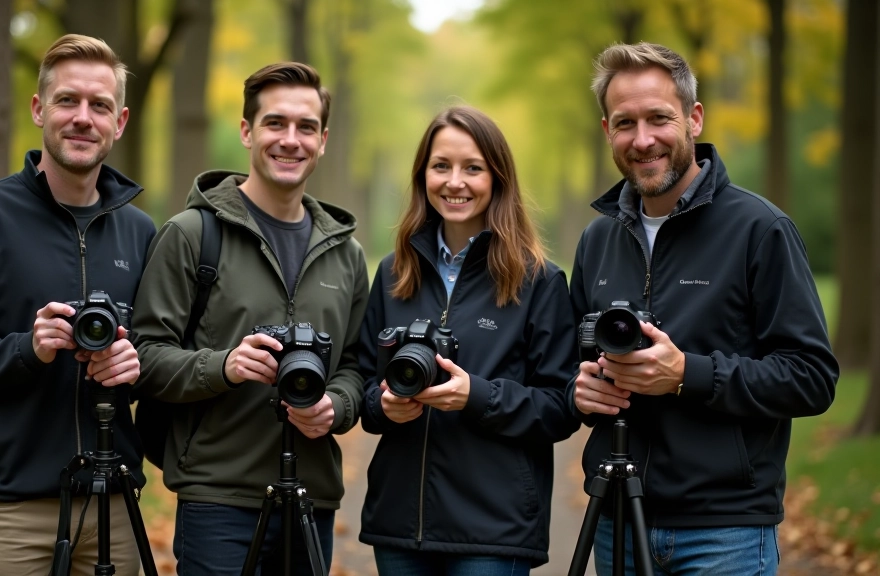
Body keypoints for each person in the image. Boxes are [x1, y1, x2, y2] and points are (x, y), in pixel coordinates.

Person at [568, 42, 839, 575]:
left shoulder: (760, 230)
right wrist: (579, 392)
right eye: (625, 123)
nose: (642, 140)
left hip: (726, 531)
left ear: (693, 119)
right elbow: (562, 366)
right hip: (616, 517)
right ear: (607, 131)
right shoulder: (597, 240)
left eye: (658, 119)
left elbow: (812, 378)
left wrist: (685, 374)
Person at [0, 34, 155, 575]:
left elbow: (161, 354)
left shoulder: (141, 232)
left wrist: (137, 366)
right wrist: (27, 349)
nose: (83, 118)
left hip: (113, 506)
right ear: (39, 109)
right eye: (67, 100)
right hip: (9, 511)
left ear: (121, 121)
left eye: (100, 105)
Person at [130, 61, 369, 575]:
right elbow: (143, 357)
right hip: (218, 499)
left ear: (323, 140)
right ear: (246, 131)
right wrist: (224, 366)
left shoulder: (346, 254)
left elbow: (356, 366)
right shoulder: (193, 234)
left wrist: (338, 405)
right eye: (275, 123)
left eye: (306, 127)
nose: (291, 140)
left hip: (312, 496)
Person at [356, 105, 580, 575]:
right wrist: (383, 407)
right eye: (441, 166)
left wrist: (475, 396)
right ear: (423, 176)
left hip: (493, 534)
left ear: (497, 178)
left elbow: (562, 407)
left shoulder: (539, 281)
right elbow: (361, 381)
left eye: (472, 168)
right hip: (398, 526)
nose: (454, 182)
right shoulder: (395, 274)